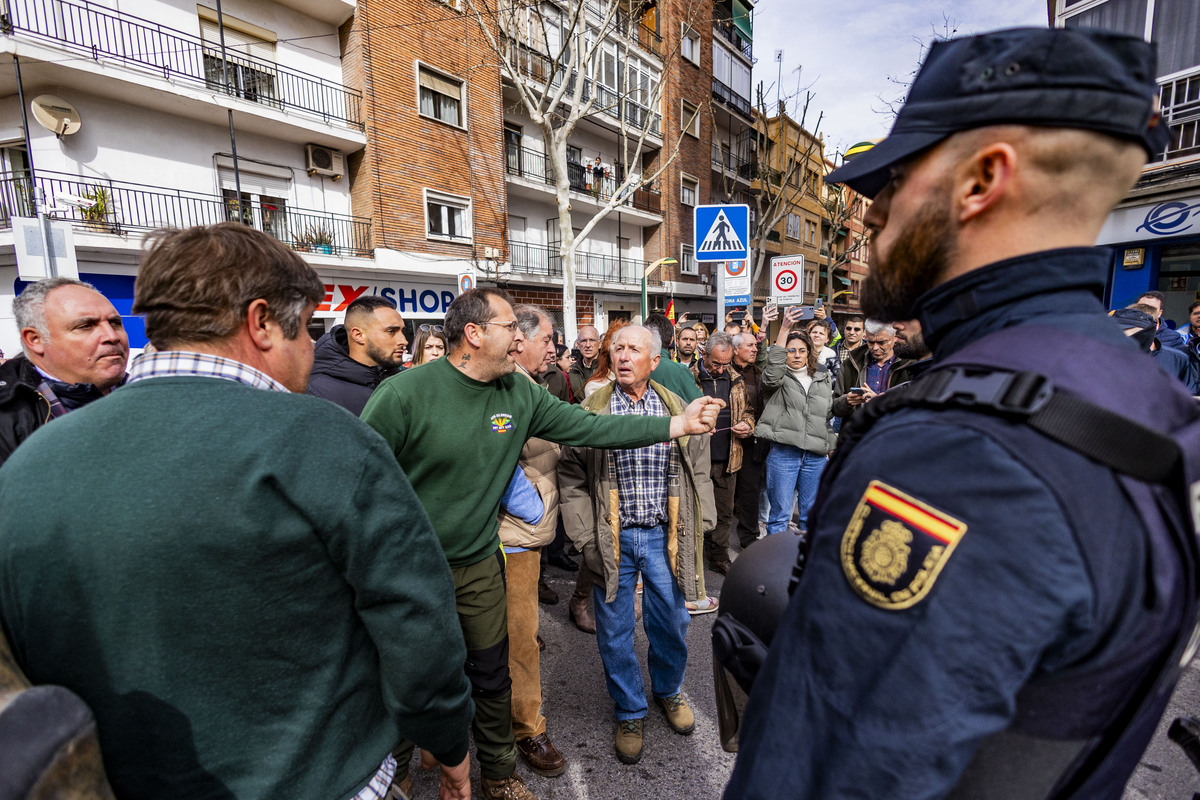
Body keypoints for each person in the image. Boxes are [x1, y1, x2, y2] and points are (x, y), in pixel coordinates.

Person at [724, 27, 1200, 799]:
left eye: (890, 188)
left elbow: (830, 773)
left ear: (981, 180)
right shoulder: (1144, 398)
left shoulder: (958, 453)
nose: (866, 219)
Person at [0, 223, 473, 800]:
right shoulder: (322, 439)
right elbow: (417, 625)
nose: (311, 352)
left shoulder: (27, 466)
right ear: (262, 323)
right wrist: (450, 747)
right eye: (307, 331)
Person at [360, 289, 722, 800]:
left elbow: (590, 427)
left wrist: (678, 424)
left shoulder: (519, 392)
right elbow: (360, 486)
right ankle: (394, 775)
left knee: (493, 674)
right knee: (408, 671)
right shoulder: (403, 395)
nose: (524, 338)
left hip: (481, 561)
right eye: (512, 327)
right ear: (475, 333)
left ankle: (500, 773)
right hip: (411, 568)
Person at [558, 325, 715, 765]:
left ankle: (668, 691)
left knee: (672, 622)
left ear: (654, 360)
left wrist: (700, 525)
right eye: (618, 348)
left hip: (666, 536)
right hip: (614, 539)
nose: (623, 356)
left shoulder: (677, 408)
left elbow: (698, 471)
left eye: (634, 349)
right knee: (615, 631)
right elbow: (571, 477)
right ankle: (630, 709)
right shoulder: (592, 408)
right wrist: (586, 538)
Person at [499, 304, 568, 779]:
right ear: (519, 342)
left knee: (519, 636)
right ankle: (528, 729)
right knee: (520, 641)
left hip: (527, 537)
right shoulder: (508, 390)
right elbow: (499, 464)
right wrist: (533, 510)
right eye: (548, 339)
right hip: (514, 538)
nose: (555, 348)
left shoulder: (532, 385)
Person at [0, 277, 129, 467]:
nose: (111, 336)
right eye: (86, 326)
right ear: (35, 339)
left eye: (115, 323)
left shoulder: (151, 394)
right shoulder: (7, 417)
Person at [756, 317, 835, 536]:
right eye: (791, 350)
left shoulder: (822, 377)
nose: (797, 355)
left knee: (811, 516)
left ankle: (805, 565)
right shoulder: (777, 379)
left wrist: (830, 445)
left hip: (815, 457)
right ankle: (777, 567)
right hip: (784, 454)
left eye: (802, 350)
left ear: (809, 352)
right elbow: (772, 369)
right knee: (780, 516)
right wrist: (784, 329)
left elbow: (825, 416)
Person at [689, 331, 753, 576]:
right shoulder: (689, 377)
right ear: (704, 354)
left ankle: (718, 555)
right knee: (695, 511)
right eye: (716, 363)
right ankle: (692, 555)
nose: (720, 370)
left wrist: (747, 424)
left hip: (729, 456)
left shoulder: (736, 378)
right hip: (698, 459)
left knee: (724, 513)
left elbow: (748, 410)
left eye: (726, 364)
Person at [306, 295, 405, 415]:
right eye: (391, 331)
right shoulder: (315, 393)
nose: (404, 340)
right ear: (358, 335)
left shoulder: (405, 380)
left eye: (402, 331)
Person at [831, 319, 918, 420]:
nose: (875, 347)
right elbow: (834, 407)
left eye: (881, 342)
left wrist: (883, 402)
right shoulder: (850, 364)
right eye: (871, 342)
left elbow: (920, 409)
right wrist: (846, 401)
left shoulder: (911, 365)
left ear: (895, 338)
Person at [730, 330, 768, 551]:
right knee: (724, 494)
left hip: (753, 441)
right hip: (727, 440)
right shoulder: (725, 372)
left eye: (755, 346)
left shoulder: (760, 374)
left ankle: (749, 538)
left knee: (750, 492)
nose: (755, 349)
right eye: (750, 346)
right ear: (736, 350)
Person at [644, 312, 702, 403]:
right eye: (685, 339)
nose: (688, 343)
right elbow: (700, 404)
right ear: (673, 340)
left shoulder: (631, 367)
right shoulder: (680, 371)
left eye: (691, 340)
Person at [567, 325, 600, 401]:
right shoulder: (572, 371)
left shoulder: (608, 368)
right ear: (578, 345)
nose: (588, 345)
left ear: (600, 344)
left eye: (592, 340)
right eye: (584, 340)